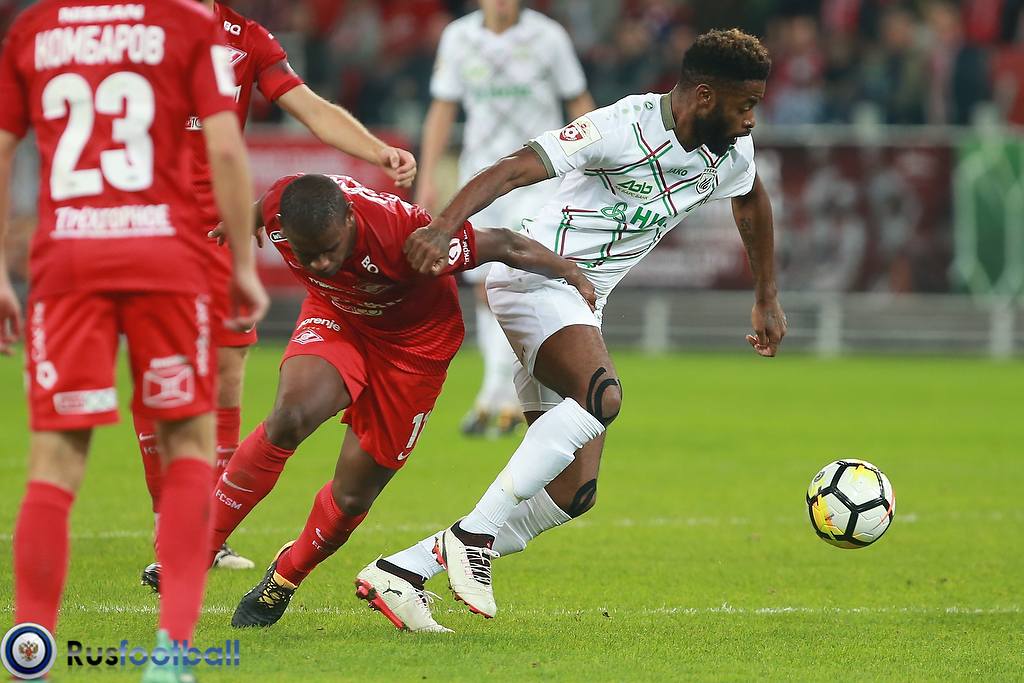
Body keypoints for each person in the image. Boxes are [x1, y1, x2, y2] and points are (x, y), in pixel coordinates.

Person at [358, 28, 787, 632]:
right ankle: (473, 537)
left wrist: (766, 296)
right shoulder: (620, 125)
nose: (751, 120)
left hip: (581, 305)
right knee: (601, 398)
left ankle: (402, 571)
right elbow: (513, 169)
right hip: (533, 278)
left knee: (572, 491)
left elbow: (752, 202)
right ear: (705, 96)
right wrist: (444, 225)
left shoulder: (731, 152)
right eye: (746, 105)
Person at [193, 172, 593, 630]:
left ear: (349, 218)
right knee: (289, 417)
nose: (321, 263)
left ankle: (285, 577)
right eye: (308, 254)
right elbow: (268, 201)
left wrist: (572, 273)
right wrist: (242, 221)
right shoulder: (283, 208)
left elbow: (504, 242)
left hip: (415, 352)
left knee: (352, 496)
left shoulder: (406, 240)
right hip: (340, 317)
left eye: (330, 249)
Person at [0, 0, 269, 680]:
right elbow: (226, 146)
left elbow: (1, 150)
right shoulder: (187, 26)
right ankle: (173, 654)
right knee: (188, 447)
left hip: (67, 262)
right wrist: (242, 263)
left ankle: (31, 654)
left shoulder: (35, 28)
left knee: (55, 461)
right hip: (165, 259)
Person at [135, 0, 418, 579]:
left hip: (218, 228)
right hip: (148, 222)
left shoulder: (247, 39)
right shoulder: (137, 26)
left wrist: (377, 150)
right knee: (162, 370)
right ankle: (170, 521)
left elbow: (308, 106)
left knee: (228, 371)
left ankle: (206, 529)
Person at [417, 0, 594, 437]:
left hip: (537, 177)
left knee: (519, 279)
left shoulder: (548, 36)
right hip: (480, 178)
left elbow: (579, 102)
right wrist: (428, 176)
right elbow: (443, 108)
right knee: (484, 286)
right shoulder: (459, 37)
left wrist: (594, 162)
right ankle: (495, 393)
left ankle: (510, 397)